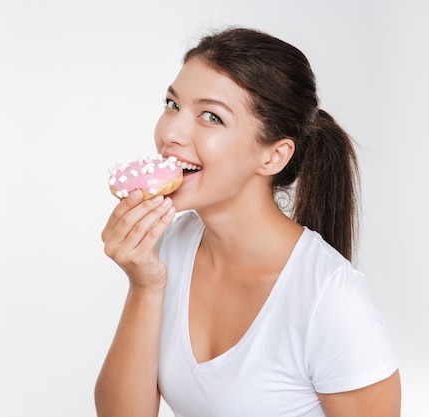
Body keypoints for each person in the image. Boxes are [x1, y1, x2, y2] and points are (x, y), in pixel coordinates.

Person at [95, 27, 401, 417]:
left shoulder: (332, 300)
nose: (170, 132)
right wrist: (144, 286)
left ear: (273, 156)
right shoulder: (170, 247)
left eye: (211, 117)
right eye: (172, 104)